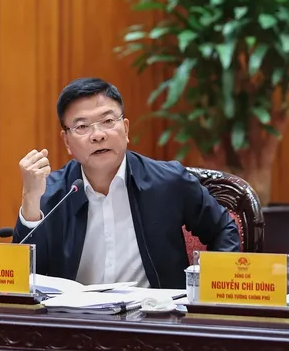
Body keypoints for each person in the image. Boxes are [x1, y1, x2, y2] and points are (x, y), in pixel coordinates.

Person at [14, 78, 240, 289]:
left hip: (157, 315)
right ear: (66, 141)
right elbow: (25, 277)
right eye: (82, 127)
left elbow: (223, 229)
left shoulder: (168, 182)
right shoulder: (52, 193)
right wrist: (30, 200)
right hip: (73, 316)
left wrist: (207, 291)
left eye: (108, 121)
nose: (98, 135)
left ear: (126, 128)